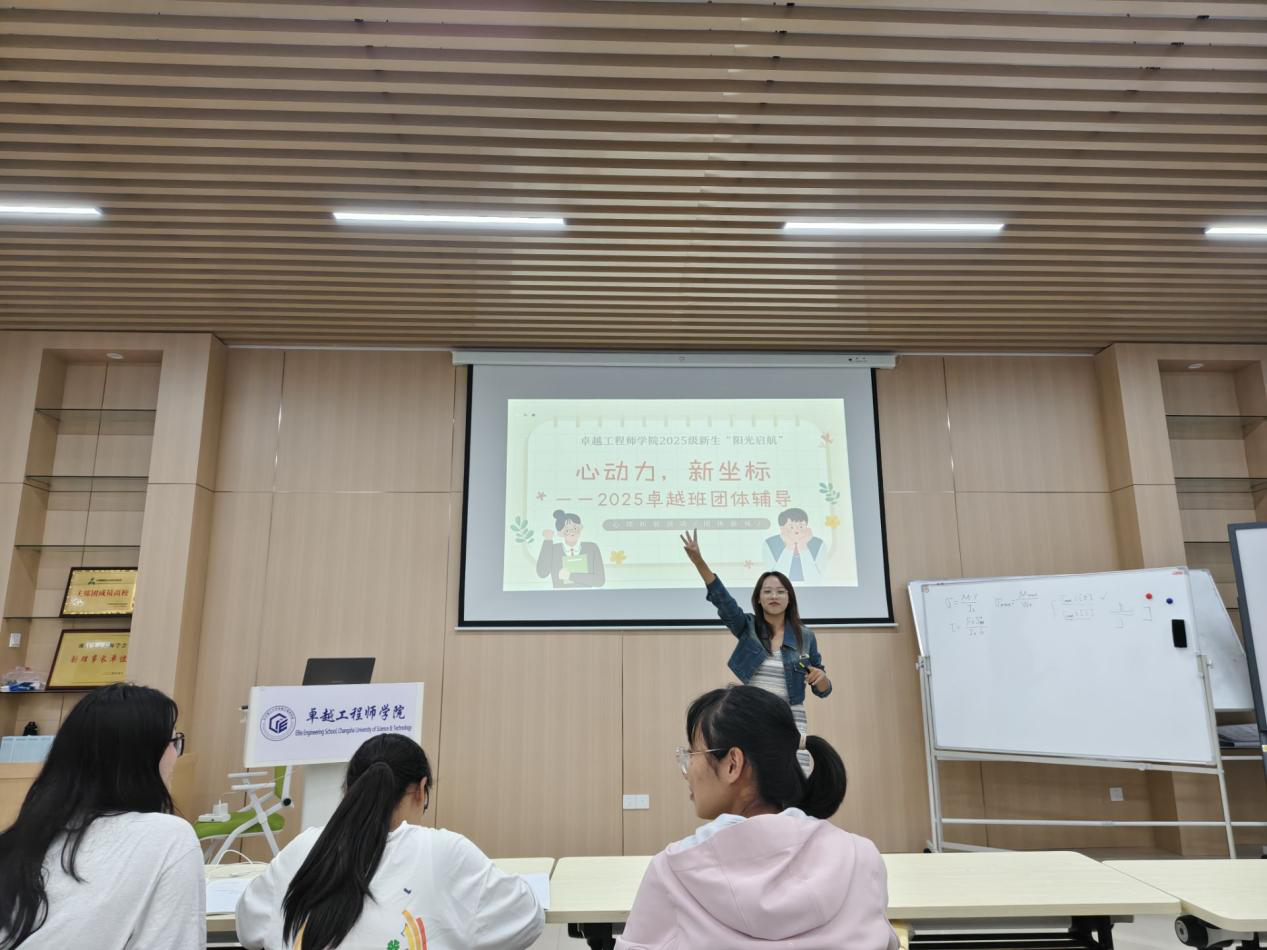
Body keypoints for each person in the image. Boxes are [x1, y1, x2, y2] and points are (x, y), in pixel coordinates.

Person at [616, 685, 896, 950]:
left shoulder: (673, 872)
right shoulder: (861, 857)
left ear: (733, 764)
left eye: (692, 753)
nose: (686, 771)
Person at [236, 733, 543, 950]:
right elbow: (526, 918)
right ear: (421, 790)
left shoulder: (303, 848)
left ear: (348, 791)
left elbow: (248, 929)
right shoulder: (442, 851)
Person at [0, 683, 204, 950]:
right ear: (141, 757)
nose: (176, 754)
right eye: (173, 742)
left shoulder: (17, 840)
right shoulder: (169, 836)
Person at [682, 529, 830, 772]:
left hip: (791, 719)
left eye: (780, 591)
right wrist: (699, 561)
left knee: (795, 778)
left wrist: (821, 678)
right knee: (757, 779)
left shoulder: (805, 636)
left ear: (789, 598)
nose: (774, 596)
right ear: (758, 599)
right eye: (767, 591)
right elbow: (722, 600)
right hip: (754, 717)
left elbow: (823, 690)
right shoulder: (747, 627)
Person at [536, 508, 606, 588]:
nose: (572, 532)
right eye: (567, 530)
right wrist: (548, 541)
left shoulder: (591, 548)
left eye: (575, 528)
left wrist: (570, 576)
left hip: (586, 594)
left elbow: (599, 581)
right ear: (560, 533)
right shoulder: (553, 550)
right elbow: (542, 573)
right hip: (560, 595)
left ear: (581, 528)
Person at [762, 507, 825, 584]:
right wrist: (789, 545)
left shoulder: (819, 544)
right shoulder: (769, 544)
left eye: (801, 526)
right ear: (782, 529)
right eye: (791, 527)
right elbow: (776, 581)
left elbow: (815, 580)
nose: (797, 530)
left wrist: (803, 545)